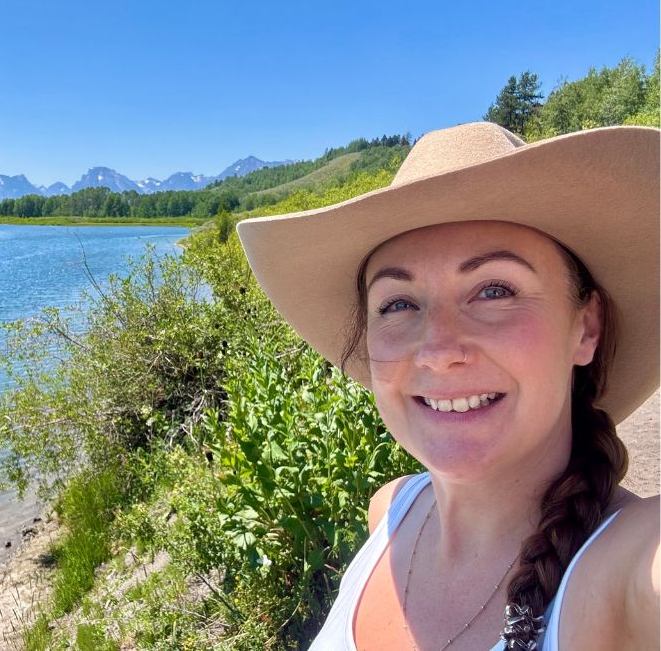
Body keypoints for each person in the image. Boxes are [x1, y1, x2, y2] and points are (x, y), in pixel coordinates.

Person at [235, 122, 660, 650]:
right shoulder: (391, 512)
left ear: (586, 327)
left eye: (493, 290)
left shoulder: (630, 563)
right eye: (397, 303)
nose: (438, 350)